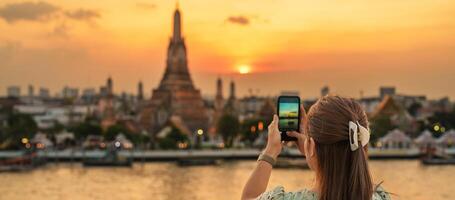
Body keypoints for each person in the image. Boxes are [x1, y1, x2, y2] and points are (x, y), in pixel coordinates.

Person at [241, 95, 391, 200]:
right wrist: (313, 152)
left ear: (311, 145)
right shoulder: (379, 196)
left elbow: (248, 198)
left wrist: (270, 151)